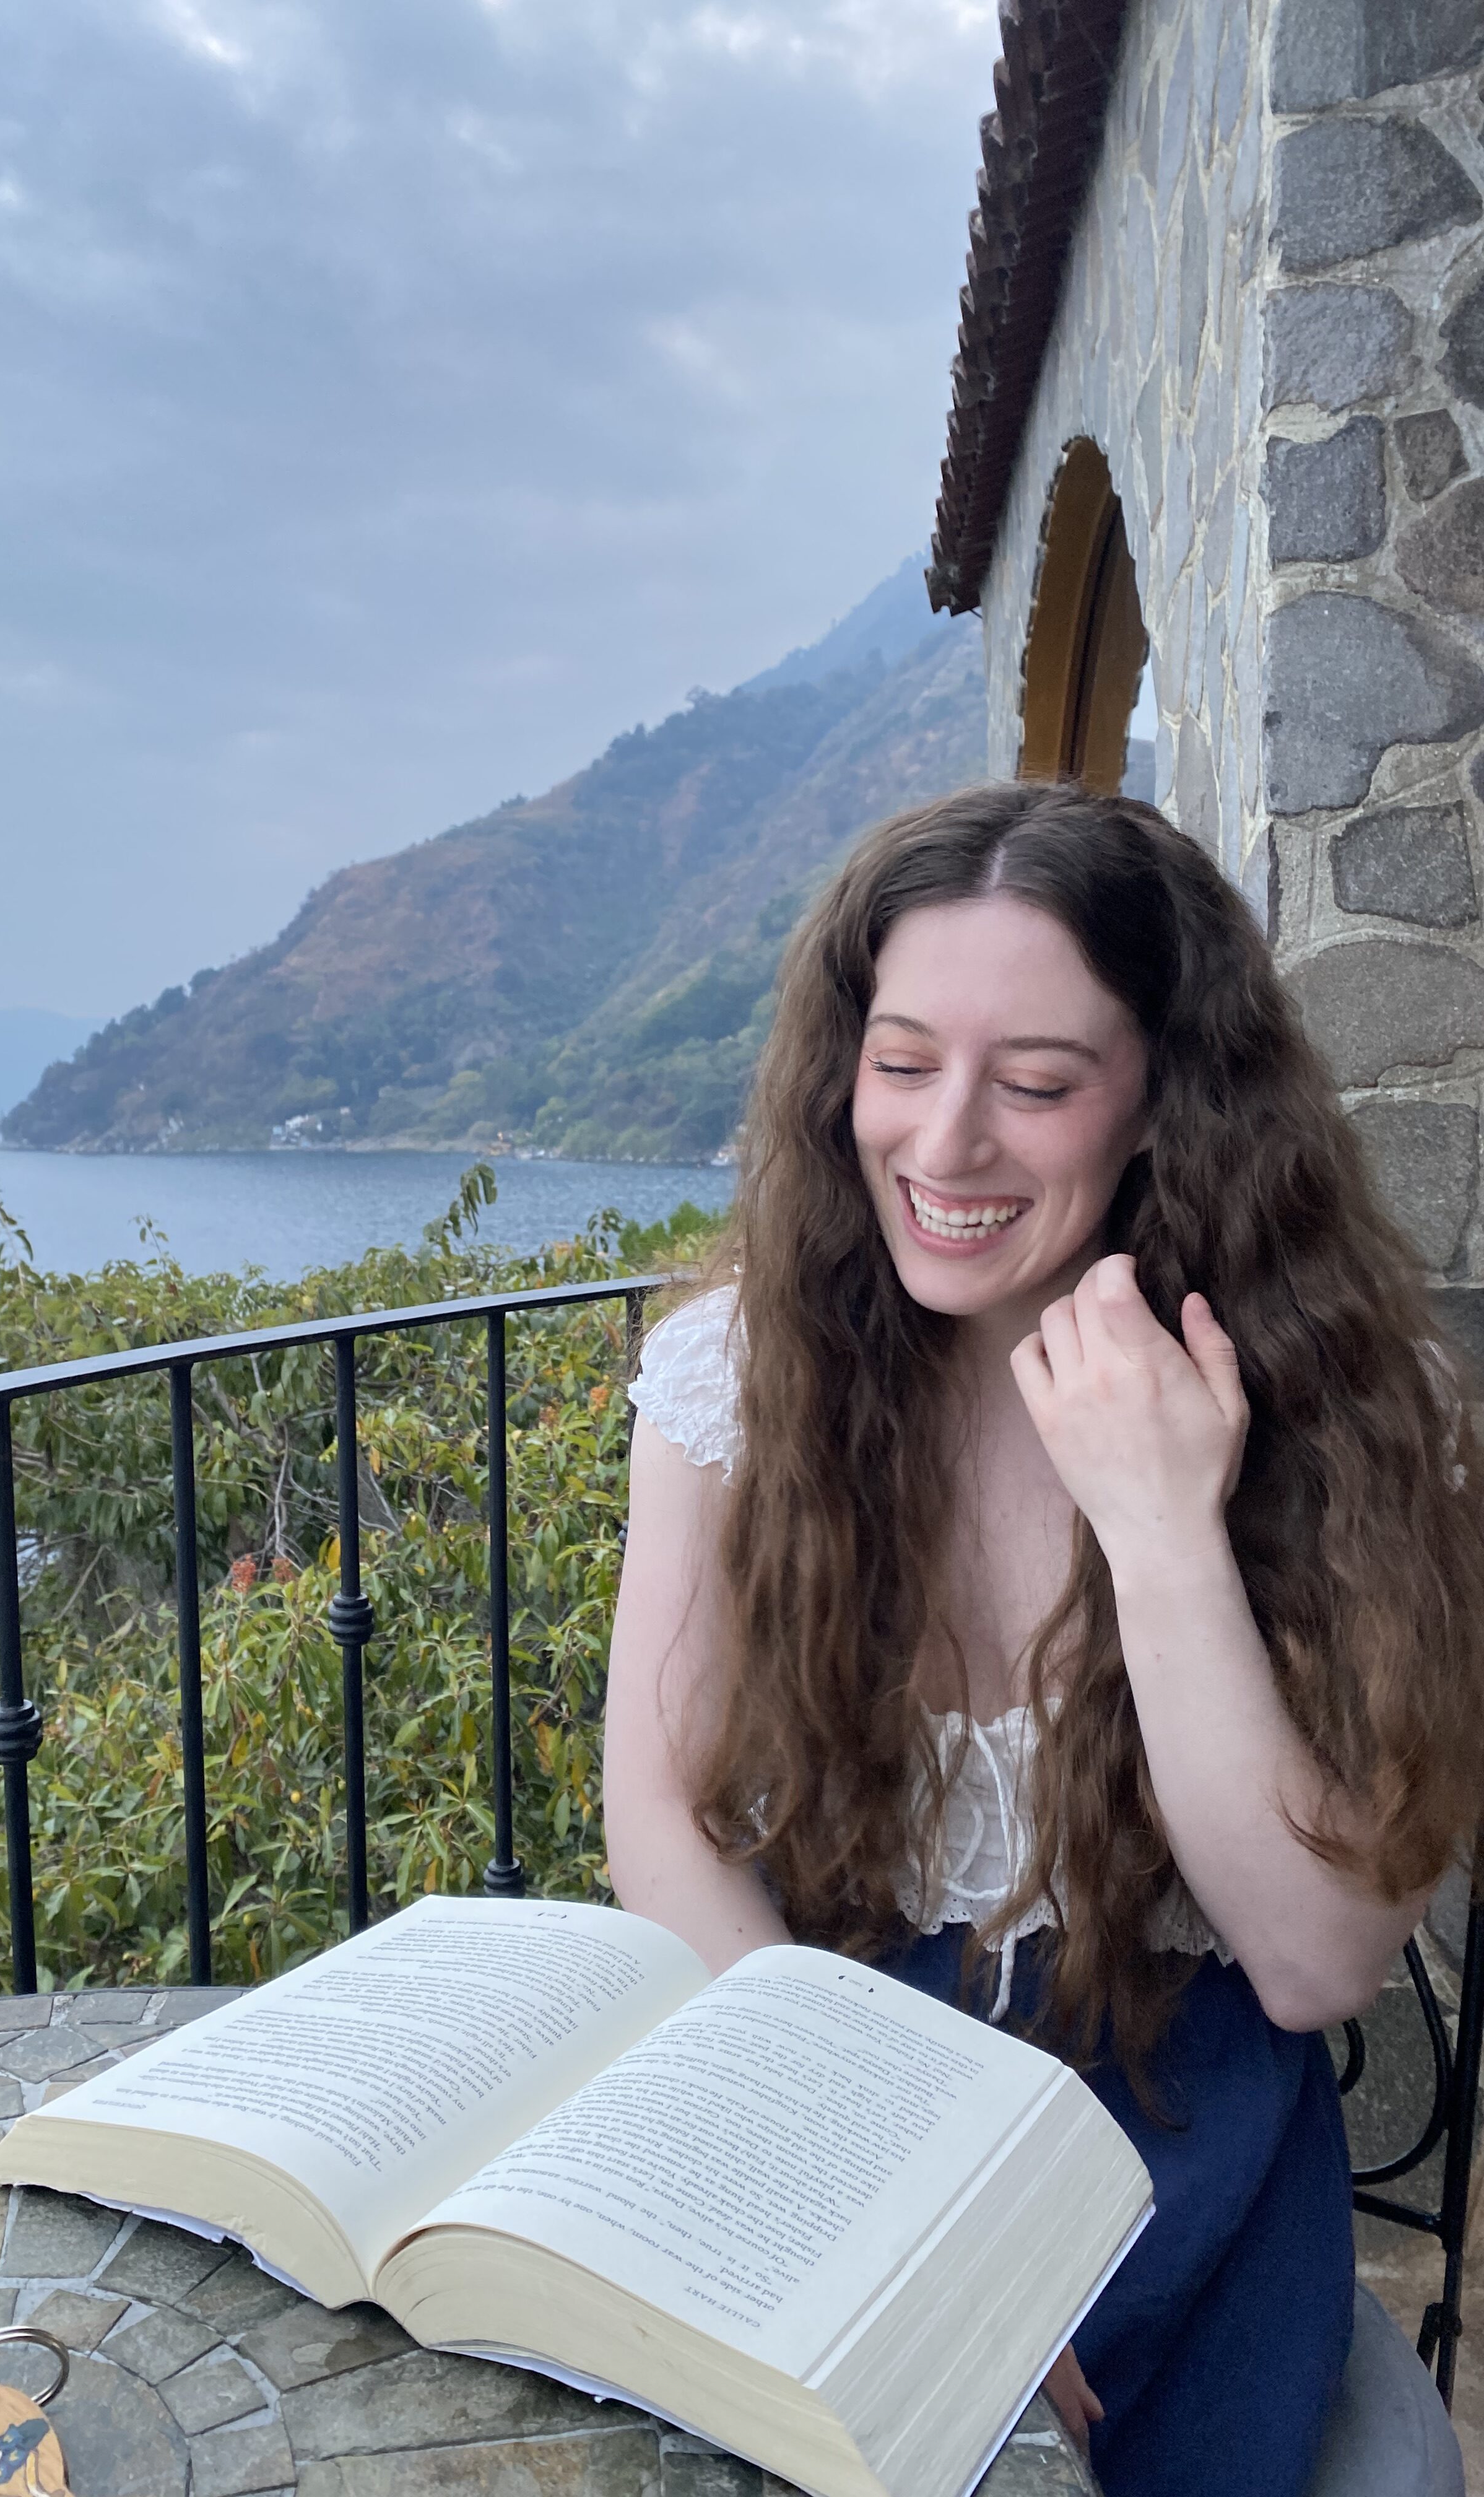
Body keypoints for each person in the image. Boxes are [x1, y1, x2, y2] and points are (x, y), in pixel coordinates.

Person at [602, 780, 1484, 2497]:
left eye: (1038, 1085)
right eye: (907, 1062)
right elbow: (664, 1825)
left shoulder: (1362, 1414)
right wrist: (911, 2219)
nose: (946, 1148)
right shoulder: (735, 1379)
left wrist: (1161, 1524)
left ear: (1163, 1094)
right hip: (817, 2081)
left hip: (1175, 2136)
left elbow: (1314, 1962)